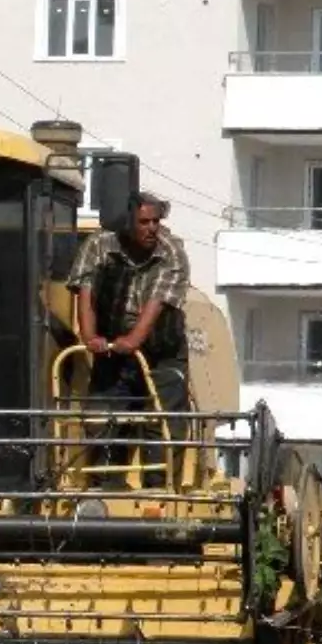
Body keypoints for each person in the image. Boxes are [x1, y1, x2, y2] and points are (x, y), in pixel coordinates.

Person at [66, 195, 190, 487]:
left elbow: (155, 305)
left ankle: (160, 490)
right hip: (112, 348)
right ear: (126, 224)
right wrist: (90, 337)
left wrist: (132, 341)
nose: (152, 229)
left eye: (156, 222)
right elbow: (87, 291)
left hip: (162, 351)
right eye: (144, 222)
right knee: (103, 418)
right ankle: (106, 485)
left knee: (161, 423)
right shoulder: (99, 245)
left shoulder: (171, 252)